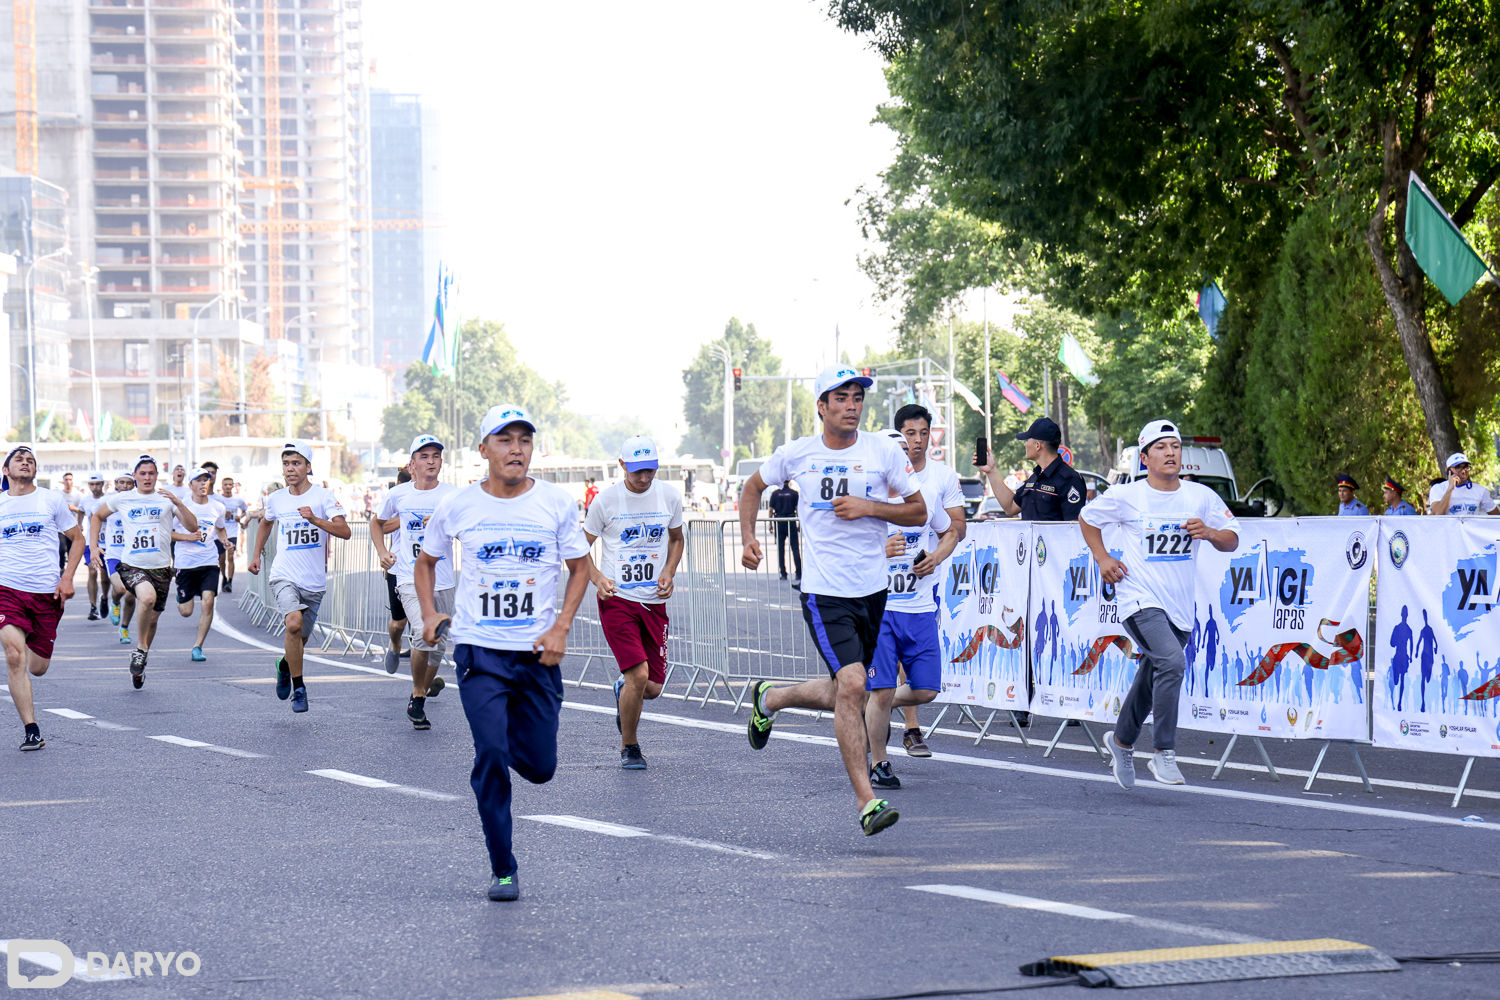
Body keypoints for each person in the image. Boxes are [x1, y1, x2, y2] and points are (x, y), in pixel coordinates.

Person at [738, 365, 926, 837]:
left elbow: (918, 510)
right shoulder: (798, 453)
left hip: (873, 590)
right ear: (821, 406)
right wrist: (746, 538)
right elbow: (752, 487)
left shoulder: (882, 450)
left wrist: (870, 507)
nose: (851, 406)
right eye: (840, 398)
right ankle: (867, 801)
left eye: (857, 398)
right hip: (824, 591)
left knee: (851, 688)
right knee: (852, 683)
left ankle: (771, 697)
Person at [415, 404, 591, 902]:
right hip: (480, 651)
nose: (517, 449)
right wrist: (429, 614)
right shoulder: (458, 505)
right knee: (490, 753)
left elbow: (580, 568)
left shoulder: (555, 503)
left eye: (524, 440)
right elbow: (426, 563)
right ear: (483, 450)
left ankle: (507, 739)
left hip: (538, 654)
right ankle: (503, 867)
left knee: (540, 767)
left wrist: (561, 626)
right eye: (505, 439)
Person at [1081, 420, 1240, 789]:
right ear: (1145, 457)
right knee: (1171, 661)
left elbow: (1232, 539)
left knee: (1151, 677)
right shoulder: (1128, 496)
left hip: (1180, 608)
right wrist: (1103, 558)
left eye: (1175, 446)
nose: (1170, 453)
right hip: (1139, 599)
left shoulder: (1200, 496)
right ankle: (1163, 752)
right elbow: (1088, 519)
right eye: (1161, 447)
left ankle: (1121, 741)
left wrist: (1212, 533)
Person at [865, 429, 961, 788]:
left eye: (905, 451)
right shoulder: (864, 502)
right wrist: (878, 551)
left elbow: (952, 530)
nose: (903, 456)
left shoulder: (918, 500)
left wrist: (935, 557)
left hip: (919, 609)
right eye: (895, 450)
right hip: (879, 611)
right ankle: (880, 762)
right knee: (882, 689)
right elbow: (836, 556)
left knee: (925, 690)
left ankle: (872, 708)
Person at [583, 435, 686, 769]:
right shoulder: (606, 501)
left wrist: (669, 571)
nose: (644, 478)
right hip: (618, 600)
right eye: (638, 471)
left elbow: (677, 539)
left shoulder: (669, 496)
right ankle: (630, 746)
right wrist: (598, 578)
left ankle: (622, 688)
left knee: (652, 688)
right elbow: (577, 546)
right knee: (639, 676)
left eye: (651, 470)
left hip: (653, 601)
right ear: (623, 465)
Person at [976, 415, 1084, 726]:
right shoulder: (1035, 477)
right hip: (1028, 572)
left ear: (1038, 445)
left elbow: (1073, 531)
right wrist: (992, 472)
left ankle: (1067, 699)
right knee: (1027, 634)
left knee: (1060, 632)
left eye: (1027, 440)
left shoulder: (1069, 480)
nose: (1024, 443)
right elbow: (1010, 507)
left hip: (1057, 573)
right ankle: (1024, 700)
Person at [247, 440, 351, 713]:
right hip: (284, 574)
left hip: (314, 582)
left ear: (308, 467)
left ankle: (284, 665)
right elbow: (266, 522)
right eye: (286, 464)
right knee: (292, 624)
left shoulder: (323, 497)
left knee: (299, 642)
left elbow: (345, 531)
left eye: (296, 463)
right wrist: (256, 554)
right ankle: (300, 688)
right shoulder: (277, 498)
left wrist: (316, 520)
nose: (290, 469)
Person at [888, 402, 967, 756]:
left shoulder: (941, 477)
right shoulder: (877, 479)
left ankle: (899, 719)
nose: (918, 441)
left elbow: (956, 527)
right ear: (898, 436)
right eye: (910, 434)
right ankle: (909, 727)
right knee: (887, 665)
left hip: (922, 585)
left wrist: (936, 556)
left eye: (924, 433)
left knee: (917, 671)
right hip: (878, 592)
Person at [0, 447, 85, 750]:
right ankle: (31, 729)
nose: (26, 462)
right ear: (6, 470)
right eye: (19, 459)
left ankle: (24, 651)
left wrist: (67, 578)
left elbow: (78, 539)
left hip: (46, 591)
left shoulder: (51, 499)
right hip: (6, 588)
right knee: (13, 656)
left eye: (31, 460)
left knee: (37, 667)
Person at [373, 435, 457, 730]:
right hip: (409, 576)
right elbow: (376, 522)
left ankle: (421, 687)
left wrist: (442, 521)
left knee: (438, 643)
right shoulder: (399, 495)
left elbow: (465, 530)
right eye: (424, 456)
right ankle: (418, 694)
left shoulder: (452, 495)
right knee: (423, 632)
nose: (431, 461)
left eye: (436, 456)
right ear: (412, 464)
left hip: (443, 579)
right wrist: (383, 552)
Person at [90, 455, 196, 688]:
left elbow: (192, 526)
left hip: (161, 568)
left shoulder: (166, 499)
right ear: (135, 476)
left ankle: (142, 657)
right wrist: (94, 547)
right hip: (132, 565)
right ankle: (140, 649)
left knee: (153, 619)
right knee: (146, 598)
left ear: (157, 476)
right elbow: (97, 516)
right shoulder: (123, 498)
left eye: (151, 473)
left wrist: (179, 503)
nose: (147, 477)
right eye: (142, 473)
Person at [172, 468, 230, 661]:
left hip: (209, 561)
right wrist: (187, 536)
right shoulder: (180, 506)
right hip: (185, 562)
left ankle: (198, 646)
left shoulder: (218, 506)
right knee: (186, 612)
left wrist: (224, 541)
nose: (203, 483)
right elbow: (166, 532)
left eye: (206, 480)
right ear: (190, 485)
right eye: (199, 480)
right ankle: (181, 598)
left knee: (208, 601)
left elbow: (220, 529)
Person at [379, 467, 414, 674]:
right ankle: (395, 645)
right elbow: (380, 526)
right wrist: (407, 516)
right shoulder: (395, 501)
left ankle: (423, 682)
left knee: (422, 624)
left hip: (424, 568)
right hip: (398, 568)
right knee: (398, 623)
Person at [103, 473, 136, 639]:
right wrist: (95, 546)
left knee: (130, 597)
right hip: (114, 555)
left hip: (133, 556)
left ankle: (124, 627)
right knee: (120, 588)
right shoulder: (108, 503)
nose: (125, 486)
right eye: (121, 482)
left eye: (129, 483)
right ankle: (115, 603)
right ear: (116, 485)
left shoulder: (138, 505)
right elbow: (95, 522)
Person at [79, 472, 110, 621]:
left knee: (105, 577)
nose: (95, 487)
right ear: (88, 485)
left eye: (98, 484)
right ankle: (93, 607)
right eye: (92, 484)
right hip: (90, 542)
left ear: (102, 484)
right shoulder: (85, 500)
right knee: (92, 571)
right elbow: (80, 511)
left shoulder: (109, 499)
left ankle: (104, 597)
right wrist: (79, 525)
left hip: (106, 542)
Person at [1428, 453, 1498, 516]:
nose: (1463, 471)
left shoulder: (1480, 490)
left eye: (1465, 467)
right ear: (1448, 470)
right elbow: (1438, 513)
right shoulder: (1438, 488)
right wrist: (1450, 489)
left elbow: (1496, 518)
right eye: (1458, 467)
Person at [213, 476, 249, 593]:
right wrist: (222, 514)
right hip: (220, 532)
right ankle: (223, 577)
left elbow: (245, 510)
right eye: (226, 485)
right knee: (221, 558)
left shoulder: (237, 499)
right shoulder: (218, 499)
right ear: (222, 486)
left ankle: (230, 581)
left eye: (230, 484)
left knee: (230, 556)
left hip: (232, 532)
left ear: (233, 486)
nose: (228, 487)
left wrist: (240, 517)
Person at [769, 479, 802, 585]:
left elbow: (770, 510)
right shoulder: (794, 493)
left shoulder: (775, 494)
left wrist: (770, 524)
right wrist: (799, 524)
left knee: (780, 548)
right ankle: (798, 572)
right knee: (795, 548)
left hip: (779, 521)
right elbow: (798, 509)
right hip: (791, 521)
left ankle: (783, 573)